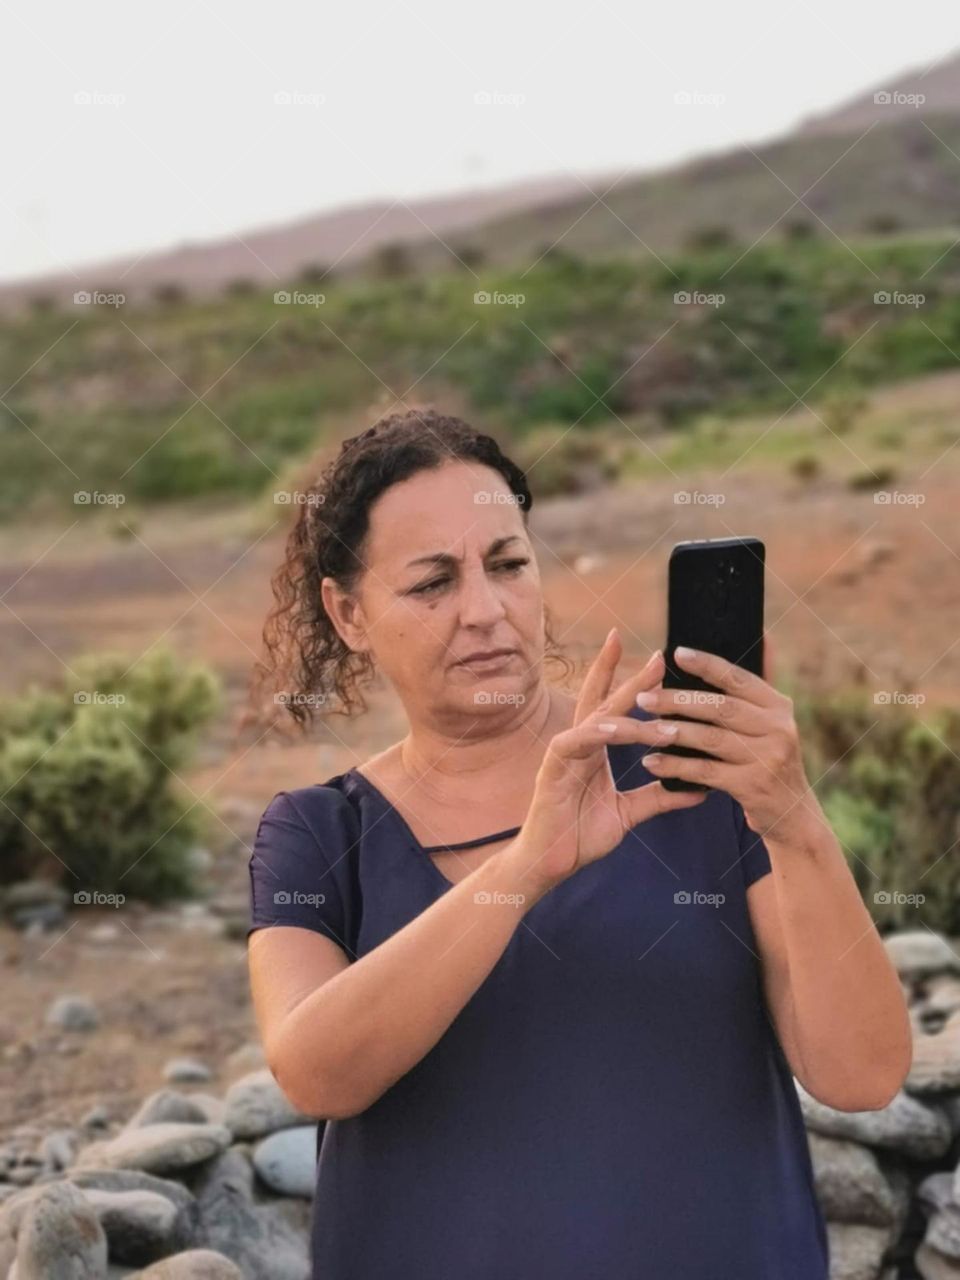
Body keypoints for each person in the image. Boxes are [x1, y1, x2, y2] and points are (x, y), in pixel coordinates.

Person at [246, 406, 911, 1279]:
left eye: (508, 564)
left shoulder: (690, 771)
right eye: (432, 583)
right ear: (349, 612)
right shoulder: (318, 832)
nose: (485, 610)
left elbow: (861, 1074)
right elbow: (317, 1073)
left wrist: (793, 820)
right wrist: (525, 868)